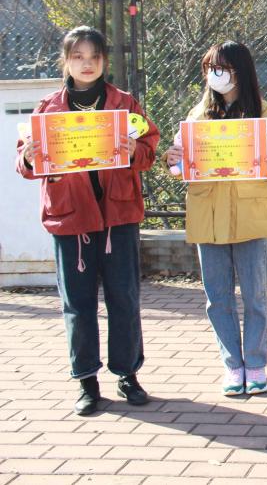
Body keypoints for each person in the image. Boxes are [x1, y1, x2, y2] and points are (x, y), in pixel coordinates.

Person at [16, 26, 159, 416]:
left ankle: (127, 374)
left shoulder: (124, 103)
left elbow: (149, 149)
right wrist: (28, 156)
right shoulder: (48, 109)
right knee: (78, 304)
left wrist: (134, 149)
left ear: (104, 61)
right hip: (70, 218)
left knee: (124, 298)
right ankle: (86, 381)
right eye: (78, 56)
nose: (87, 64)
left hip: (118, 217)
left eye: (94, 56)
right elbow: (25, 163)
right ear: (66, 61)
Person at [164, 41, 267, 395]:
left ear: (241, 71)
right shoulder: (198, 116)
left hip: (250, 215)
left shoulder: (266, 115)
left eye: (221, 68)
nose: (215, 75)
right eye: (210, 69)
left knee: (255, 296)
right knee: (217, 298)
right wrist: (173, 160)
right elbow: (180, 164)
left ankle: (255, 362)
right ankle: (232, 365)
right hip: (208, 216)